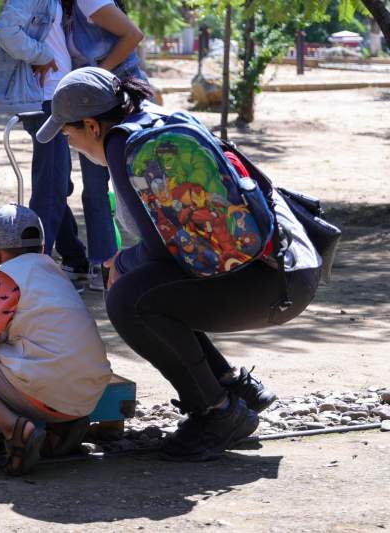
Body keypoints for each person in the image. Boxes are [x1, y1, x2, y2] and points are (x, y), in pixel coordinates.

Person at [38, 67, 322, 461]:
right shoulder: (157, 119)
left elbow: (159, 251)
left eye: (69, 133)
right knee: (146, 287)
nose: (70, 143)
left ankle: (216, 413)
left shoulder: (124, 145)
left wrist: (120, 261)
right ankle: (235, 389)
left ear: (91, 124)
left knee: (128, 299)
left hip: (270, 282)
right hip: (290, 267)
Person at [0, 204, 112, 475]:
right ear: (40, 248)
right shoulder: (54, 271)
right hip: (88, 391)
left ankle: (16, 430)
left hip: (48, 390)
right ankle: (62, 429)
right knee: (34, 361)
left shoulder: (4, 278)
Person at [0, 0, 89, 290]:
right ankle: (34, 271)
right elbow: (5, 29)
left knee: (57, 183)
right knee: (51, 186)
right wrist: (41, 55)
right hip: (44, 100)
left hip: (58, 97)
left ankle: (74, 259)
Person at [65, 0, 146, 290]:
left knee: (135, 186)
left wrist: (98, 75)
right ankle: (106, 264)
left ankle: (141, 263)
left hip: (117, 100)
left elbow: (132, 35)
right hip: (95, 104)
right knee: (96, 188)